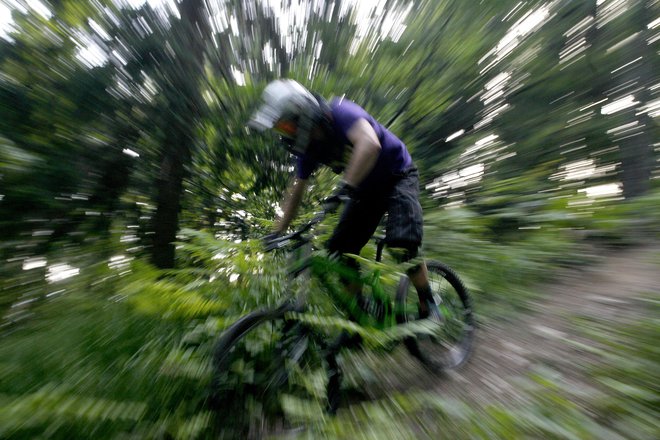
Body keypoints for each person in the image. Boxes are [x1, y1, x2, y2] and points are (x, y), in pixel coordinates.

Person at [249, 79, 440, 320]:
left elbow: (370, 143)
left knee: (402, 242)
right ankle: (361, 315)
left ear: (302, 113)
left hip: (397, 175)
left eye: (286, 126)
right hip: (364, 191)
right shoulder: (310, 148)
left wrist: (344, 187)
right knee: (340, 252)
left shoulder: (341, 112)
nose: (286, 133)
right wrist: (278, 231)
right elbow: (296, 189)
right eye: (281, 129)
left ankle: (429, 302)